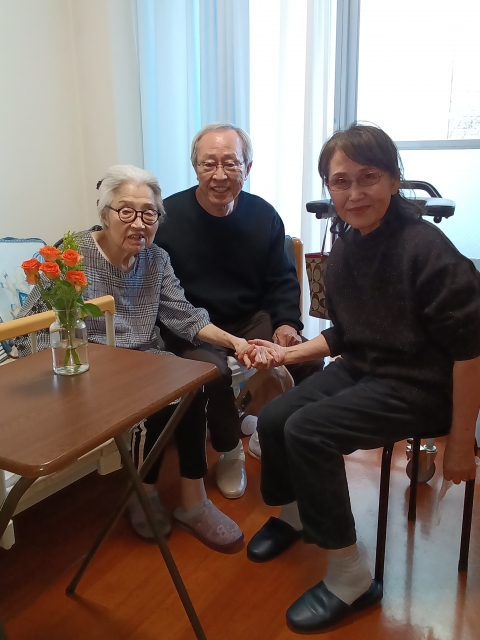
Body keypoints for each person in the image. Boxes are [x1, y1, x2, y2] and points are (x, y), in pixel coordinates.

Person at [240, 124, 480, 633]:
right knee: (277, 417)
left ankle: (352, 579)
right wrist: (284, 356)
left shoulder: (425, 248)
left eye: (368, 177)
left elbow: (470, 350)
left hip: (423, 383)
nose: (354, 193)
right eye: (340, 181)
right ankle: (295, 515)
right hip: (366, 365)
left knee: (309, 430)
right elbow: (347, 333)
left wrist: (462, 440)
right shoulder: (347, 245)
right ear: (328, 187)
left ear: (393, 180)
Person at [15, 164, 264, 553]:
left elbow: (186, 316)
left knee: (192, 385)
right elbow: (28, 325)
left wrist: (236, 342)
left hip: (145, 359)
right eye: (126, 211)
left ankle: (193, 501)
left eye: (149, 214)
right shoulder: (70, 255)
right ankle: (142, 493)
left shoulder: (157, 260)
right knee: (158, 403)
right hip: (91, 365)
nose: (139, 223)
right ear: (105, 213)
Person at [155, 122, 322, 500]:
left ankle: (274, 431)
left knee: (309, 361)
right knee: (212, 374)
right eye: (209, 164)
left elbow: (282, 279)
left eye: (230, 163)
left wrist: (286, 324)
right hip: (194, 324)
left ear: (248, 167)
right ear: (195, 167)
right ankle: (230, 450)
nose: (219, 174)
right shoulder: (168, 218)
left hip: (249, 317)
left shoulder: (263, 215)